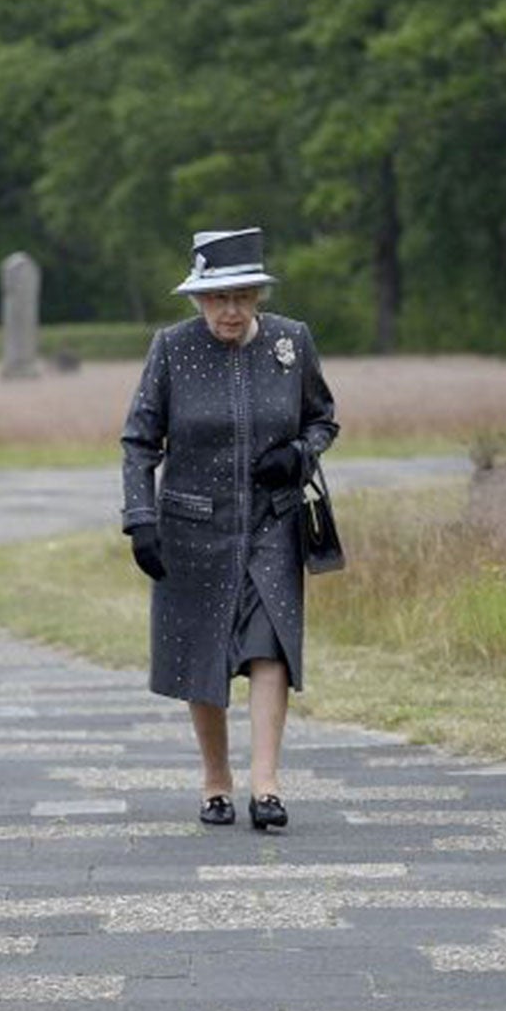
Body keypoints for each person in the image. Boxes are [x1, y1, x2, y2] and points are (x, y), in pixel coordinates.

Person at [120, 227, 338, 832]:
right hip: (193, 527)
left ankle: (266, 786)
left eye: (242, 296)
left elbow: (324, 419)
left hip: (273, 522)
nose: (231, 310)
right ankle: (216, 780)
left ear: (258, 296)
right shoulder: (172, 348)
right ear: (198, 299)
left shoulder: (293, 342)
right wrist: (141, 519)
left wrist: (299, 454)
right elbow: (139, 441)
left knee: (270, 648)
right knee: (203, 653)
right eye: (219, 298)